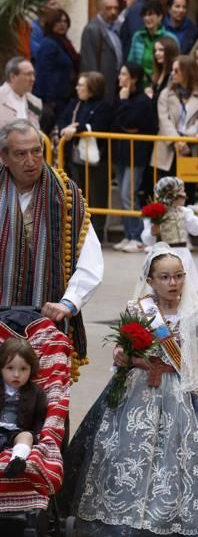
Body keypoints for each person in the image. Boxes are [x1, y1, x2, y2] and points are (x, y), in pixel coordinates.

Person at [61, 245, 198, 537]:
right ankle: (123, 517)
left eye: (178, 276)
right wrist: (122, 355)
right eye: (165, 277)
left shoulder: (195, 312)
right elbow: (122, 345)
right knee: (123, 449)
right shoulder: (138, 309)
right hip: (139, 388)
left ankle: (178, 518)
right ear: (150, 279)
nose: (173, 283)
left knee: (185, 453)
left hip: (182, 391)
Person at [0, 119, 103, 365]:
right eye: (21, 154)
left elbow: (91, 259)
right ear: (4, 157)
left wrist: (69, 303)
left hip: (48, 323)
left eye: (37, 151)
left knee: (47, 398)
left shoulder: (66, 194)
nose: (31, 160)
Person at [141, 177, 198, 291]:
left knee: (184, 291)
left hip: (182, 256)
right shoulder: (157, 214)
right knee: (164, 289)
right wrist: (152, 232)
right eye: (181, 192)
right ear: (171, 195)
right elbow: (146, 239)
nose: (185, 194)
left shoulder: (184, 212)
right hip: (163, 256)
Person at [57, 71, 112, 242]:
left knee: (96, 196)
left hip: (96, 160)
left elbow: (98, 125)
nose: (77, 88)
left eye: (81, 85)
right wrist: (68, 127)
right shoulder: (76, 104)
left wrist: (78, 128)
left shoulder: (103, 106)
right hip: (75, 158)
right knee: (77, 195)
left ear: (92, 88)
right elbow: (62, 121)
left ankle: (97, 234)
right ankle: (78, 234)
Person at [111, 62, 157, 253]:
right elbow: (116, 123)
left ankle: (138, 236)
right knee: (123, 195)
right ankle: (129, 234)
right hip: (122, 153)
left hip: (136, 154)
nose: (120, 78)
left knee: (129, 194)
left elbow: (131, 123)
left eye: (124, 74)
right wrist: (122, 103)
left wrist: (123, 103)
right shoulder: (122, 97)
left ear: (134, 78)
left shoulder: (141, 100)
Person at [0, 338, 47, 479]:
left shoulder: (36, 392)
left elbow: (40, 417)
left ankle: (17, 461)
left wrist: (36, 435)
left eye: (23, 369)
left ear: (31, 369)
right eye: (10, 368)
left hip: (16, 432)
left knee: (27, 436)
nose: (16, 374)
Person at [154, 56, 198, 177]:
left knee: (188, 191)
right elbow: (163, 120)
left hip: (189, 147)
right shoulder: (165, 93)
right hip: (168, 147)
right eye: (172, 70)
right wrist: (177, 141)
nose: (172, 74)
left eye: (176, 70)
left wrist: (186, 139)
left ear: (187, 72)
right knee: (166, 190)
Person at [32, 8, 79, 116]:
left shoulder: (64, 42)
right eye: (58, 21)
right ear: (51, 24)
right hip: (54, 100)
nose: (62, 25)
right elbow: (44, 73)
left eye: (65, 21)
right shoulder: (49, 44)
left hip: (65, 96)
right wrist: (50, 100)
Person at [79, 0, 123, 104]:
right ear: (101, 9)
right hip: (101, 86)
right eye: (109, 8)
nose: (113, 12)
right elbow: (89, 62)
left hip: (115, 83)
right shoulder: (92, 29)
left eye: (116, 8)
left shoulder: (117, 28)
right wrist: (93, 87)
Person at [126, 1, 178, 87]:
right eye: (144, 15)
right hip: (140, 85)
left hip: (162, 84)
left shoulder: (170, 38)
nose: (147, 18)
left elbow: (176, 64)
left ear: (160, 17)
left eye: (150, 14)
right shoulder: (138, 36)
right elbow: (131, 62)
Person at [0, 58, 41, 127]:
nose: (33, 79)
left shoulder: (35, 103)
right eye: (28, 74)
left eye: (33, 74)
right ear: (13, 76)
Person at [146, 36, 180, 101]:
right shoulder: (158, 72)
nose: (157, 53)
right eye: (155, 51)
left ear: (170, 51)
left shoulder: (174, 73)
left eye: (161, 50)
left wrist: (153, 96)